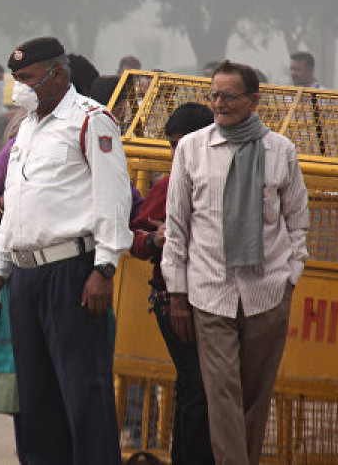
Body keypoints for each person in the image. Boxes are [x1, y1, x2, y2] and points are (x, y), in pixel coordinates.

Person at [0, 37, 132, 465]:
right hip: (26, 276)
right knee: (36, 399)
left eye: (27, 78)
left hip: (72, 271)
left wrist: (104, 267)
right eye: (16, 79)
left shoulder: (90, 121)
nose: (19, 88)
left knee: (85, 394)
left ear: (58, 74)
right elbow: (16, 205)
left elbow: (113, 199)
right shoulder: (27, 127)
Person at [162, 60, 309, 465]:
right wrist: (177, 291)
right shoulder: (193, 149)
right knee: (222, 393)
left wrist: (290, 276)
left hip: (267, 292)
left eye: (229, 95)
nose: (219, 103)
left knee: (255, 397)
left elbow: (297, 221)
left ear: (253, 100)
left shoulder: (280, 151)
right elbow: (177, 225)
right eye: (214, 95)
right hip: (210, 291)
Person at [129, 102, 215, 465]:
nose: (178, 155)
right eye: (172, 147)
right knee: (197, 385)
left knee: (197, 386)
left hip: (215, 296)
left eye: (185, 145)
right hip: (173, 299)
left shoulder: (222, 178)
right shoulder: (166, 185)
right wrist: (154, 240)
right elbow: (134, 235)